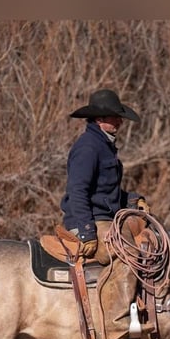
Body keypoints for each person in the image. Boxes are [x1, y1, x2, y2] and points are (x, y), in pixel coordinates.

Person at [61, 88, 148, 265]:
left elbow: (105, 191)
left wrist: (133, 200)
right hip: (88, 222)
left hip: (105, 220)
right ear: (99, 119)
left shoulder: (104, 145)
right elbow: (77, 191)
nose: (120, 121)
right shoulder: (88, 148)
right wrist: (87, 232)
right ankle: (118, 294)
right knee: (129, 251)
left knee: (148, 238)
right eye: (114, 116)